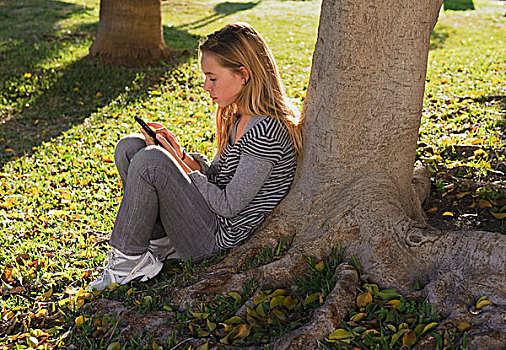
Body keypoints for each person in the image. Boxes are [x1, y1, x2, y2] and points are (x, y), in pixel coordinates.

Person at [90, 23, 303, 290]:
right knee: (130, 147)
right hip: (206, 220)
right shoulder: (240, 119)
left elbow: (228, 205)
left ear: (243, 75)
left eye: (213, 78)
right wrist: (182, 157)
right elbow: (217, 177)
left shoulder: (266, 131)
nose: (206, 86)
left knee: (151, 162)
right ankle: (159, 244)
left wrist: (176, 164)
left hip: (215, 238)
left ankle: (126, 264)